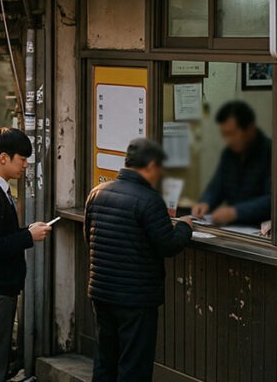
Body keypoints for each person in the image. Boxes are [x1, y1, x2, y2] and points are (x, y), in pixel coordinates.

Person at [85, 138, 194, 382]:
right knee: (133, 366)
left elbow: (88, 238)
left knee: (105, 360)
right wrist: (185, 227)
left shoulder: (97, 193)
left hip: (101, 292)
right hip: (136, 298)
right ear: (152, 165)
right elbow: (168, 244)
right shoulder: (149, 200)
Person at [0, 127, 52, 381]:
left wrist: (27, 232)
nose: (25, 165)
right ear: (4, 157)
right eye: (22, 159)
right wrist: (28, 236)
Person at [192, 101, 272, 225]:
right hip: (234, 228)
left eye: (232, 134)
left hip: (261, 229)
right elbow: (217, 186)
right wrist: (205, 202)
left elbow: (272, 200)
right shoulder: (229, 154)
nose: (228, 140)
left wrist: (236, 212)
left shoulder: (270, 152)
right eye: (224, 135)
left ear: (250, 129)